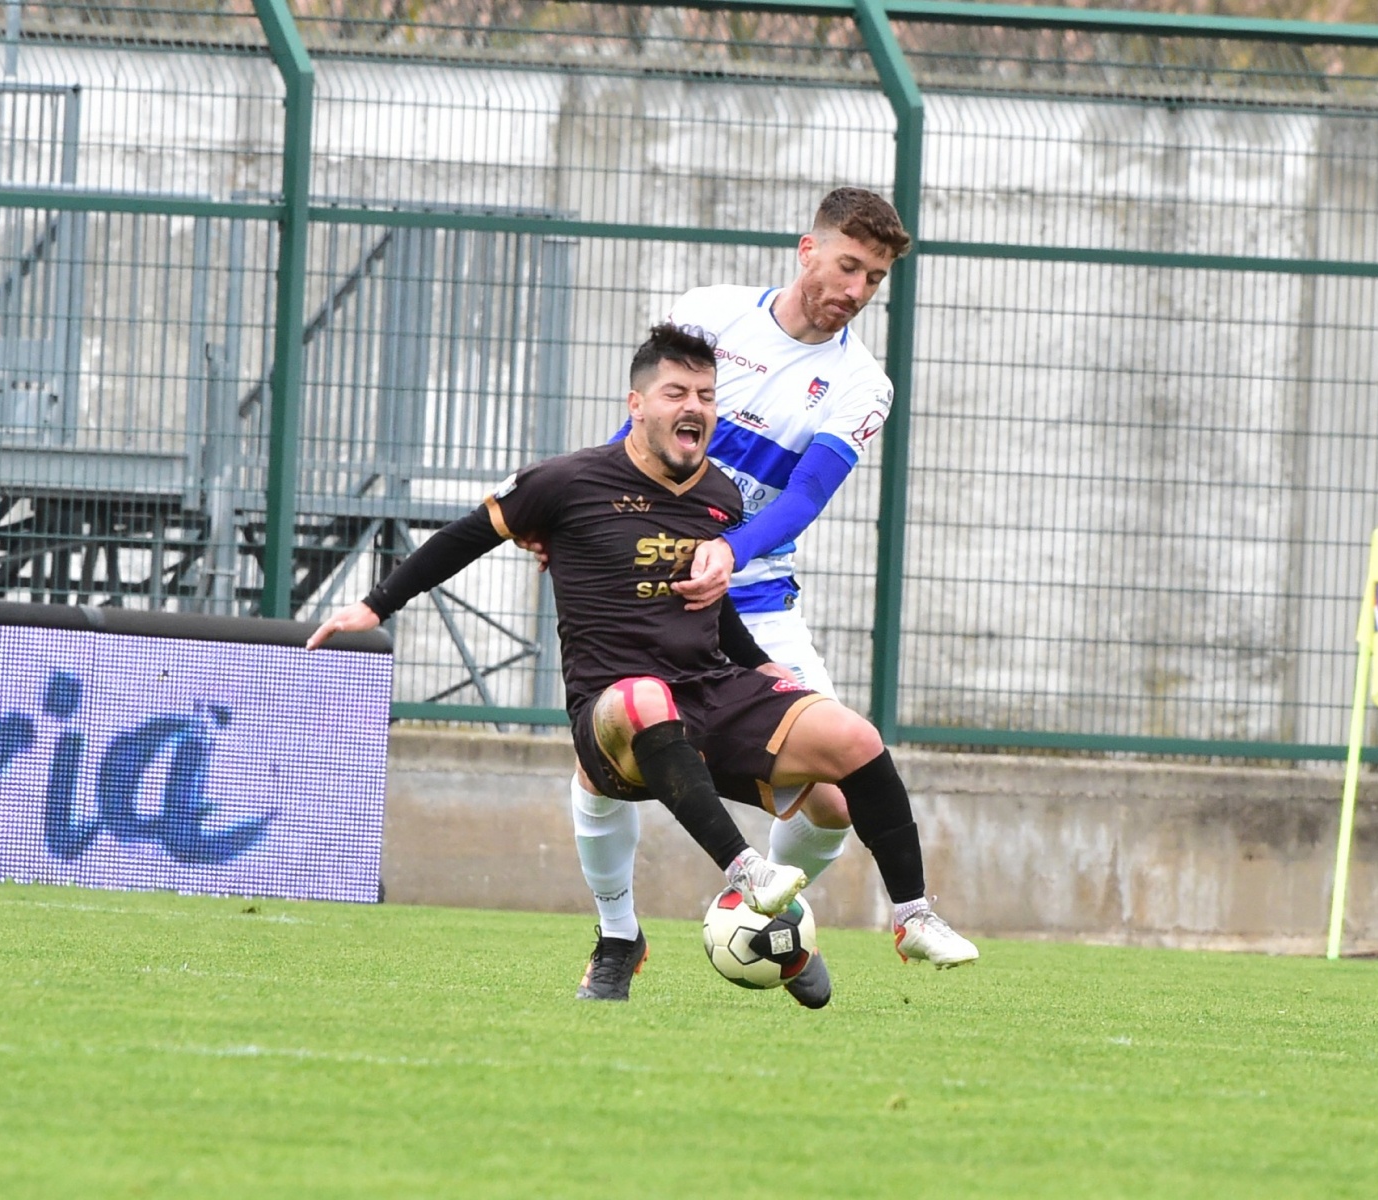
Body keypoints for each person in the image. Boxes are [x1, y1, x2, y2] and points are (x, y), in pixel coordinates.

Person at [307, 323, 978, 1005]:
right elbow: (462, 539)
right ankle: (729, 883)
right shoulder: (566, 481)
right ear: (636, 404)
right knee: (645, 698)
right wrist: (374, 604)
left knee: (852, 747)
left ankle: (910, 916)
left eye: (708, 395)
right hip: (614, 708)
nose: (695, 407)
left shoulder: (721, 493)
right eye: (676, 392)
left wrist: (759, 665)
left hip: (710, 688)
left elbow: (711, 608)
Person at [563, 188, 920, 1004]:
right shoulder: (710, 316)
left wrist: (729, 550)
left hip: (758, 602)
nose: (857, 290)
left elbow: (802, 499)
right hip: (647, 588)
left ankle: (755, 913)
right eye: (848, 267)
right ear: (808, 251)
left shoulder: (864, 383)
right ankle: (618, 936)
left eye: (874, 279)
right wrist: (584, 524)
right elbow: (642, 432)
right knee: (604, 763)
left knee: (835, 791)